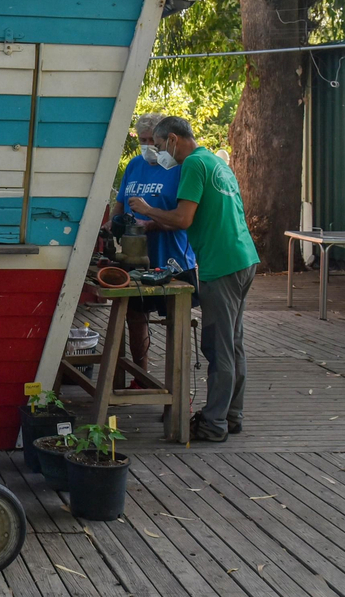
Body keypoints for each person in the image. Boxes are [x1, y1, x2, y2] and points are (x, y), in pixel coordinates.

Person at [128, 116, 259, 442]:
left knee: (218, 346)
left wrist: (147, 210)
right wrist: (158, 224)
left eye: (158, 146)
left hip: (221, 264)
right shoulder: (216, 162)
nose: (158, 153)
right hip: (244, 258)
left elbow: (184, 218)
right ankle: (232, 415)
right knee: (234, 343)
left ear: (173, 139)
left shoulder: (193, 166)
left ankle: (214, 424)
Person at [113, 113, 198, 384]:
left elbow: (185, 217)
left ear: (166, 140)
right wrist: (108, 227)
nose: (149, 146)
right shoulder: (134, 165)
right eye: (143, 140)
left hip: (172, 257)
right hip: (135, 258)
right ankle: (141, 376)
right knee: (135, 318)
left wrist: (150, 222)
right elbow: (120, 206)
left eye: (153, 141)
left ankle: (177, 391)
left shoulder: (181, 167)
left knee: (176, 325)